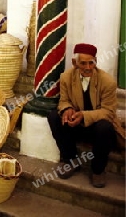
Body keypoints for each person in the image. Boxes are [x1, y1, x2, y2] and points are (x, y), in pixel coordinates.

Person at [47, 43, 125, 188]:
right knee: (54, 117)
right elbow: (63, 101)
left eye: (91, 63)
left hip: (96, 128)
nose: (88, 67)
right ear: (74, 63)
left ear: (96, 61)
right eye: (83, 63)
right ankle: (70, 160)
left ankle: (98, 170)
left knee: (105, 127)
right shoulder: (66, 77)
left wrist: (83, 115)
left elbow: (108, 111)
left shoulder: (107, 82)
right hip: (76, 126)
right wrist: (67, 109)